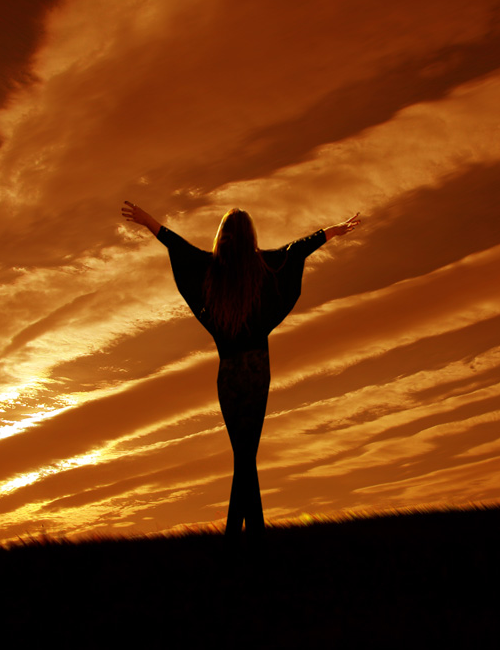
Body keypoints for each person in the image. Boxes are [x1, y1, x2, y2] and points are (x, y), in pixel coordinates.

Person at [121, 201, 360, 547]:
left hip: (230, 371)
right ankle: (250, 537)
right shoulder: (263, 267)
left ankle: (239, 539)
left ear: (223, 236)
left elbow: (181, 249)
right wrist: (329, 233)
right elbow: (294, 252)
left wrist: (150, 223)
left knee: (243, 456)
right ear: (250, 237)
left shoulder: (211, 271)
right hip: (257, 368)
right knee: (246, 456)